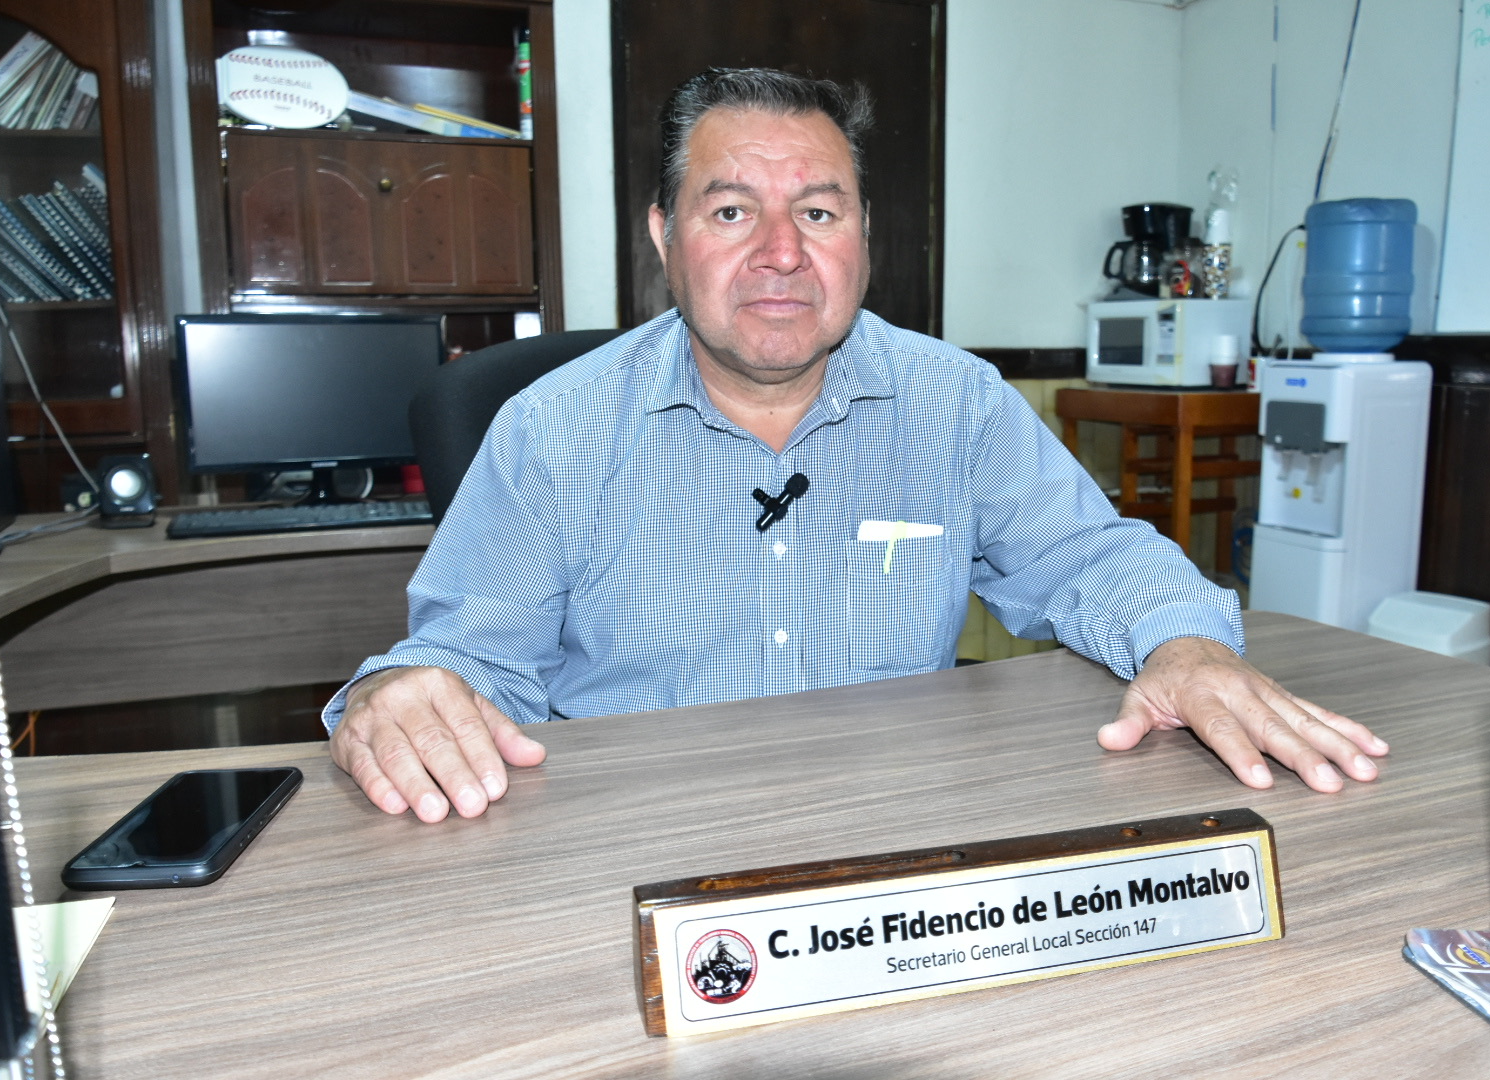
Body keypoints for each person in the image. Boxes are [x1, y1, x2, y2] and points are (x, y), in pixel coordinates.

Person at [324, 68, 1388, 823]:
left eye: (820, 214)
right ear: (663, 236)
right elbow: (465, 662)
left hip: (896, 837)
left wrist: (1184, 646)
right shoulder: (551, 430)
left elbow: (1090, 557)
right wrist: (401, 695)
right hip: (636, 843)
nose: (781, 254)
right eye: (731, 212)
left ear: (864, 233)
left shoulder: (955, 404)